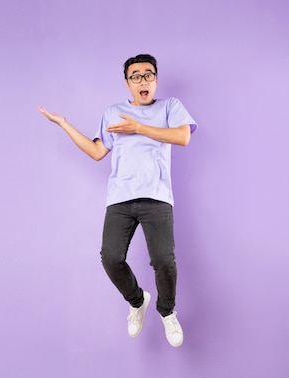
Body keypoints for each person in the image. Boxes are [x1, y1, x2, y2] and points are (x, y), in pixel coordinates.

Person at [38, 54, 197, 347]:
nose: (142, 80)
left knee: (164, 260)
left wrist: (138, 128)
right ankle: (137, 301)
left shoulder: (170, 107)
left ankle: (166, 311)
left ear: (156, 79)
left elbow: (183, 136)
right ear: (127, 83)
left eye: (148, 74)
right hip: (121, 199)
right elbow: (98, 152)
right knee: (110, 258)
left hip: (156, 197)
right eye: (135, 76)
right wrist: (63, 124)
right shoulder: (112, 113)